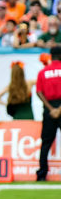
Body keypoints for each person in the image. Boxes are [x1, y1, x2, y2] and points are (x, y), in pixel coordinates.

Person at [35, 46, 61, 181]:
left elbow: (39, 92)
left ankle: (42, 174)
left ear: (51, 56)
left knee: (46, 143)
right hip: (59, 106)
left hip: (48, 108)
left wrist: (51, 109)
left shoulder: (43, 72)